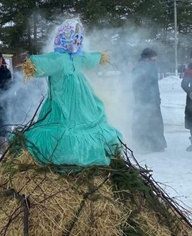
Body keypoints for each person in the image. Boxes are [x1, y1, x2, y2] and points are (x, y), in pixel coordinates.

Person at [17, 18, 122, 166]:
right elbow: (46, 62)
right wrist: (32, 65)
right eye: (75, 37)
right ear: (65, 38)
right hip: (63, 102)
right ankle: (69, 156)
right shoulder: (59, 59)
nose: (78, 42)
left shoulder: (78, 57)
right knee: (64, 131)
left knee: (91, 123)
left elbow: (89, 58)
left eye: (80, 38)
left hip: (83, 102)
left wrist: (100, 57)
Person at [131, 48, 167, 152]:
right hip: (143, 101)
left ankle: (156, 144)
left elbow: (154, 85)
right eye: (153, 57)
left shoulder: (152, 67)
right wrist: (144, 99)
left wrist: (157, 97)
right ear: (147, 58)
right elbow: (137, 86)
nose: (155, 59)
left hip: (153, 100)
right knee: (143, 123)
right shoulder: (139, 69)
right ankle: (143, 145)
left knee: (154, 123)